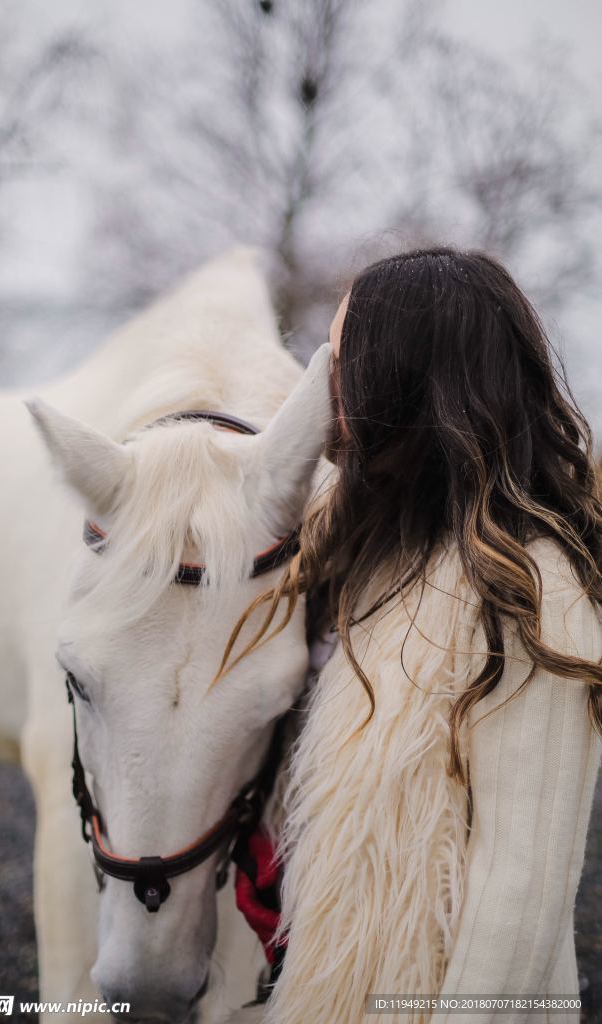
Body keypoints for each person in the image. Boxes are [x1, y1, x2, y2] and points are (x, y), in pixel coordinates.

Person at [226, 247, 602, 1024]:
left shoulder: (530, 588)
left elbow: (520, 891)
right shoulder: (371, 547)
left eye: (338, 358)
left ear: (398, 376)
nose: (319, 383)